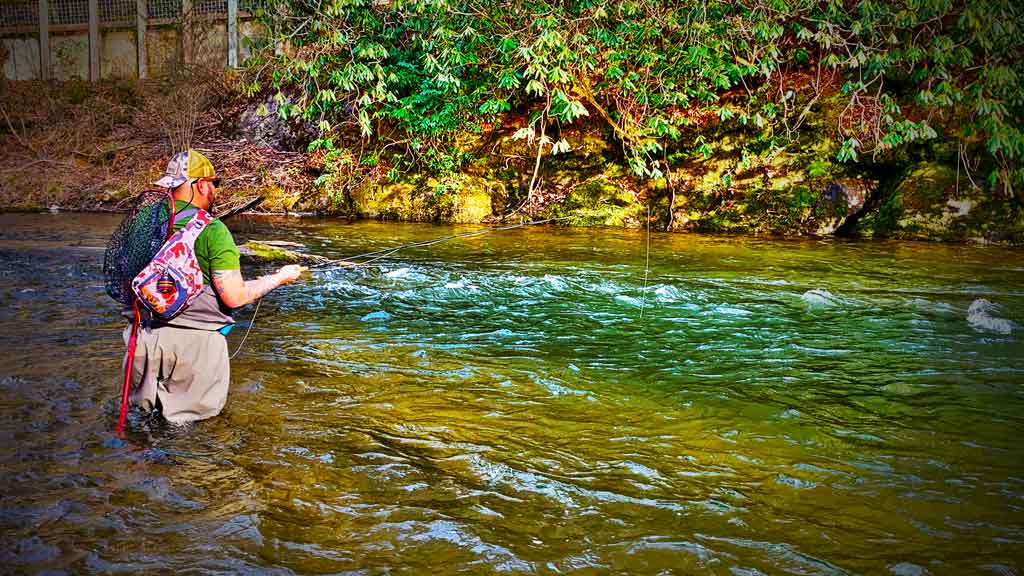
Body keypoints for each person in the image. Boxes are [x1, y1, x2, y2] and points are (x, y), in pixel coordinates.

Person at [125, 149, 304, 424]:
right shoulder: (213, 230)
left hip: (143, 340)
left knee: (142, 427)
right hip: (194, 347)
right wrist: (279, 277)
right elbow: (234, 296)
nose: (215, 191)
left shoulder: (143, 221)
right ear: (201, 184)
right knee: (194, 442)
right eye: (214, 184)